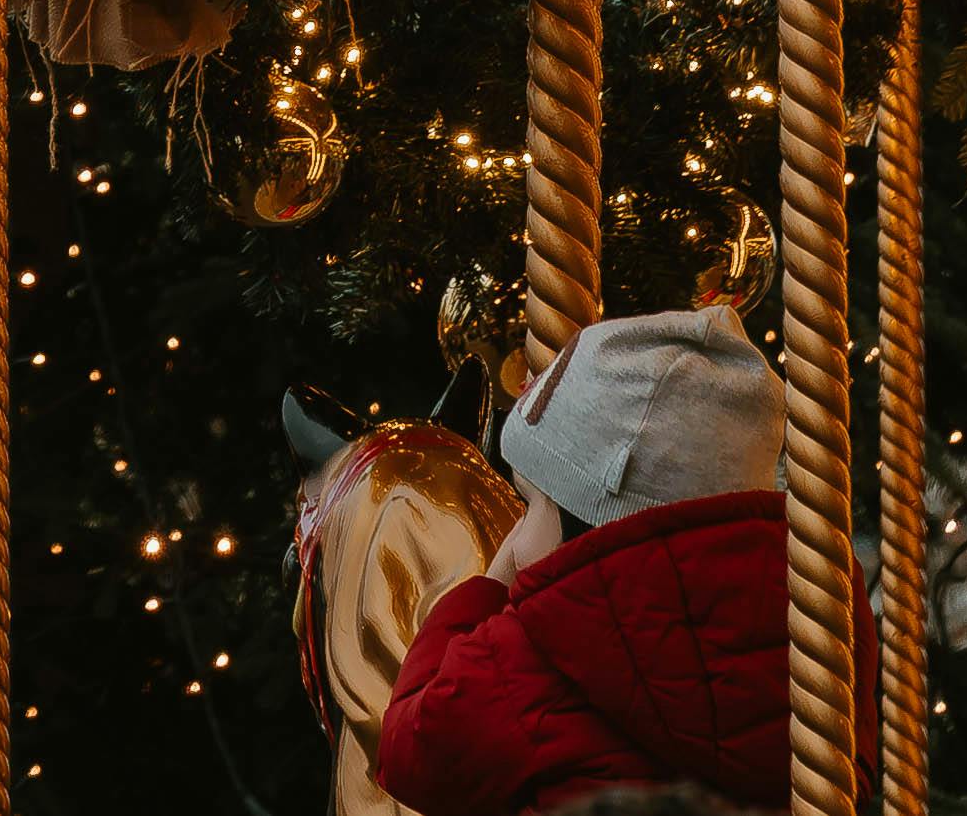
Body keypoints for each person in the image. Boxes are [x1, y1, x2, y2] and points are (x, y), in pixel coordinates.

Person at [375, 305, 876, 816]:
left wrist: (490, 584)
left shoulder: (530, 653)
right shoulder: (820, 628)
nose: (518, 536)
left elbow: (412, 751)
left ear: (586, 520)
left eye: (531, 507)